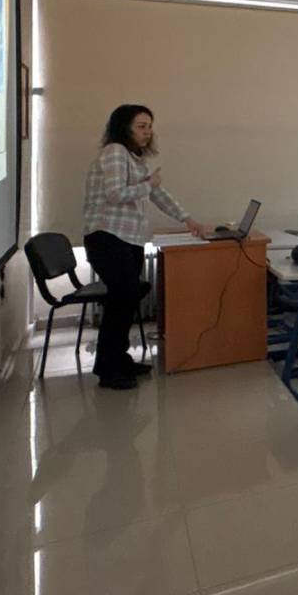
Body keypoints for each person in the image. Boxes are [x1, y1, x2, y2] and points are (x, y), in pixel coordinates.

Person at [82, 105, 205, 389]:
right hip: (108, 237)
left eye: (149, 126)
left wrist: (187, 219)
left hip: (129, 239)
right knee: (121, 301)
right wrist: (149, 184)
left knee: (125, 301)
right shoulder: (115, 151)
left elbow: (158, 194)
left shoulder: (134, 159)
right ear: (124, 127)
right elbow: (115, 194)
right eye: (141, 126)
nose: (147, 132)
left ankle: (120, 359)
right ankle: (108, 370)